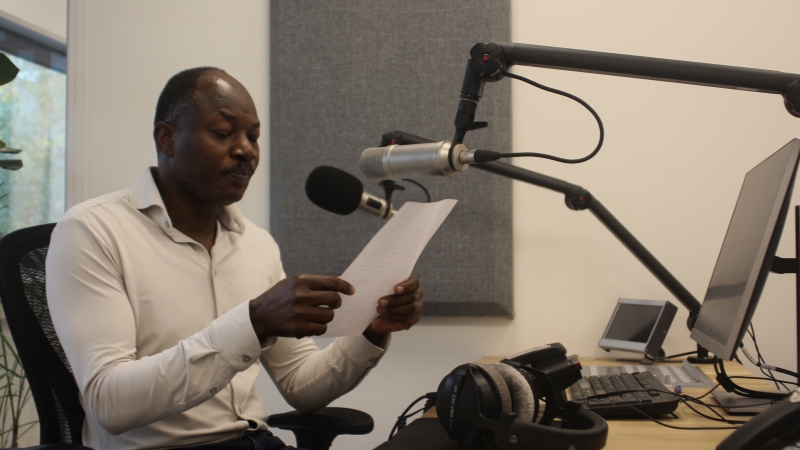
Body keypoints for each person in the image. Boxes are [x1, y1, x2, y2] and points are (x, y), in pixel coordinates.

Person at [45, 67, 424, 450]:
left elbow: (303, 385)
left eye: (253, 137)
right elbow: (109, 403)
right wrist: (253, 322)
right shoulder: (92, 232)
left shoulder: (257, 244)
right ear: (167, 138)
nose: (246, 150)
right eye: (224, 134)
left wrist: (372, 330)